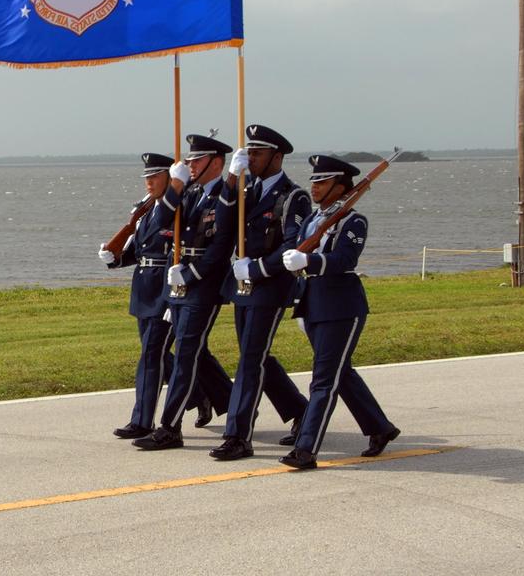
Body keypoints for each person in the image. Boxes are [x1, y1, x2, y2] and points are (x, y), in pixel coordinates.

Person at [278, 155, 401, 469]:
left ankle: (306, 449)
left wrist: (311, 262)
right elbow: (295, 247)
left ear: (340, 185)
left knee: (323, 380)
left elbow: (346, 260)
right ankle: (380, 428)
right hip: (313, 302)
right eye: (314, 181)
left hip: (341, 305)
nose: (314, 187)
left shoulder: (353, 221)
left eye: (321, 181)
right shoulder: (312, 220)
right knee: (338, 373)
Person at [209, 124, 311, 461]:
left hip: (270, 286)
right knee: (256, 354)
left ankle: (238, 435)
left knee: (250, 359)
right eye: (248, 152)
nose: (251, 158)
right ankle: (301, 411)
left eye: (258, 153)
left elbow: (292, 244)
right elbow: (222, 224)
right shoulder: (244, 188)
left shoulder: (293, 196)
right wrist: (230, 180)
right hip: (242, 287)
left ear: (276, 157)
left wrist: (256, 268)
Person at [134, 133, 235, 450]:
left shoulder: (226, 194)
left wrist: (189, 273)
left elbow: (220, 247)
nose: (190, 164)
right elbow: (162, 221)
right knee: (182, 356)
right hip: (176, 284)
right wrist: (175, 186)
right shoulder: (188, 192)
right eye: (188, 160)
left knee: (187, 356)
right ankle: (226, 408)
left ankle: (170, 427)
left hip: (203, 285)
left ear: (215, 163)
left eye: (197, 160)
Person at [101, 152, 181, 439]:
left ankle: (142, 421)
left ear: (170, 179)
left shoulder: (176, 209)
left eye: (155, 176)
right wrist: (114, 259)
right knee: (164, 355)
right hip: (144, 290)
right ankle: (208, 394)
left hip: (165, 289)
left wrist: (175, 295)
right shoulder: (146, 209)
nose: (148, 182)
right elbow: (138, 251)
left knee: (151, 355)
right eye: (146, 177)